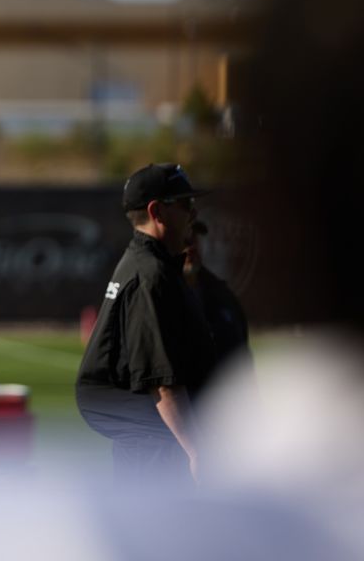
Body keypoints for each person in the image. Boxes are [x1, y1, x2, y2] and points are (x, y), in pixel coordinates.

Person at [75, 163, 216, 486]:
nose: (193, 213)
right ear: (157, 212)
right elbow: (162, 381)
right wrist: (197, 451)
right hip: (156, 445)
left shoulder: (152, 266)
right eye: (185, 203)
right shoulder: (149, 275)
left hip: (153, 437)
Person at [183, 221, 250, 371]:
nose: (190, 246)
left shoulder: (222, 294)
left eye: (194, 237)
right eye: (183, 239)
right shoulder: (157, 296)